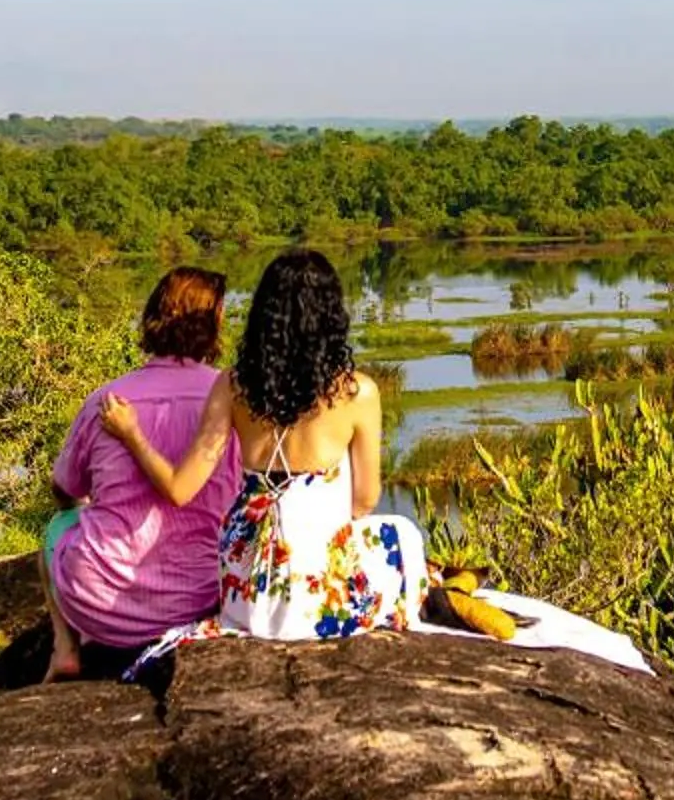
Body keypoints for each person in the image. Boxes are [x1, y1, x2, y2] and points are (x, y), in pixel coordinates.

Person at [105, 248, 425, 644]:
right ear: (331, 316)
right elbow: (365, 500)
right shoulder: (358, 392)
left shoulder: (233, 385)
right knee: (404, 535)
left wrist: (132, 434)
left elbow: (178, 488)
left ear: (265, 316)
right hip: (320, 595)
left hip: (248, 591)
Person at [44, 265, 238, 680]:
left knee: (56, 527)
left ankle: (65, 647)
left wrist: (89, 506)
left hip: (103, 607)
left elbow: (64, 490)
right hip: (202, 596)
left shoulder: (107, 400)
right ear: (214, 324)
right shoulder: (230, 401)